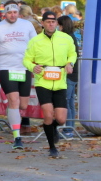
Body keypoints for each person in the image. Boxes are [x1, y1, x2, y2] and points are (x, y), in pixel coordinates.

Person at [23, 11, 77, 158]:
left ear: (56, 23)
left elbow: (73, 54)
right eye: (48, 22)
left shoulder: (66, 38)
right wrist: (33, 67)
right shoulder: (35, 41)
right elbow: (26, 59)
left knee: (61, 119)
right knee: (47, 115)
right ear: (43, 23)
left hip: (60, 82)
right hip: (43, 82)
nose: (51, 24)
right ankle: (52, 147)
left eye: (53, 22)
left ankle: (53, 127)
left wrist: (70, 63)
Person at [0, 0, 36, 149]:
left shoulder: (27, 25)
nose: (12, 15)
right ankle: (17, 138)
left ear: (18, 13)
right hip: (6, 68)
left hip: (24, 68)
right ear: (5, 14)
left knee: (22, 104)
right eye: (9, 12)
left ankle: (11, 113)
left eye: (15, 12)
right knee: (14, 100)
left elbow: (35, 44)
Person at [57, 15, 80, 136]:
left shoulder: (67, 38)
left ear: (62, 26)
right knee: (70, 102)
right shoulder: (72, 36)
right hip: (73, 73)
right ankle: (70, 128)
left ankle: (68, 129)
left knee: (66, 102)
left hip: (69, 73)